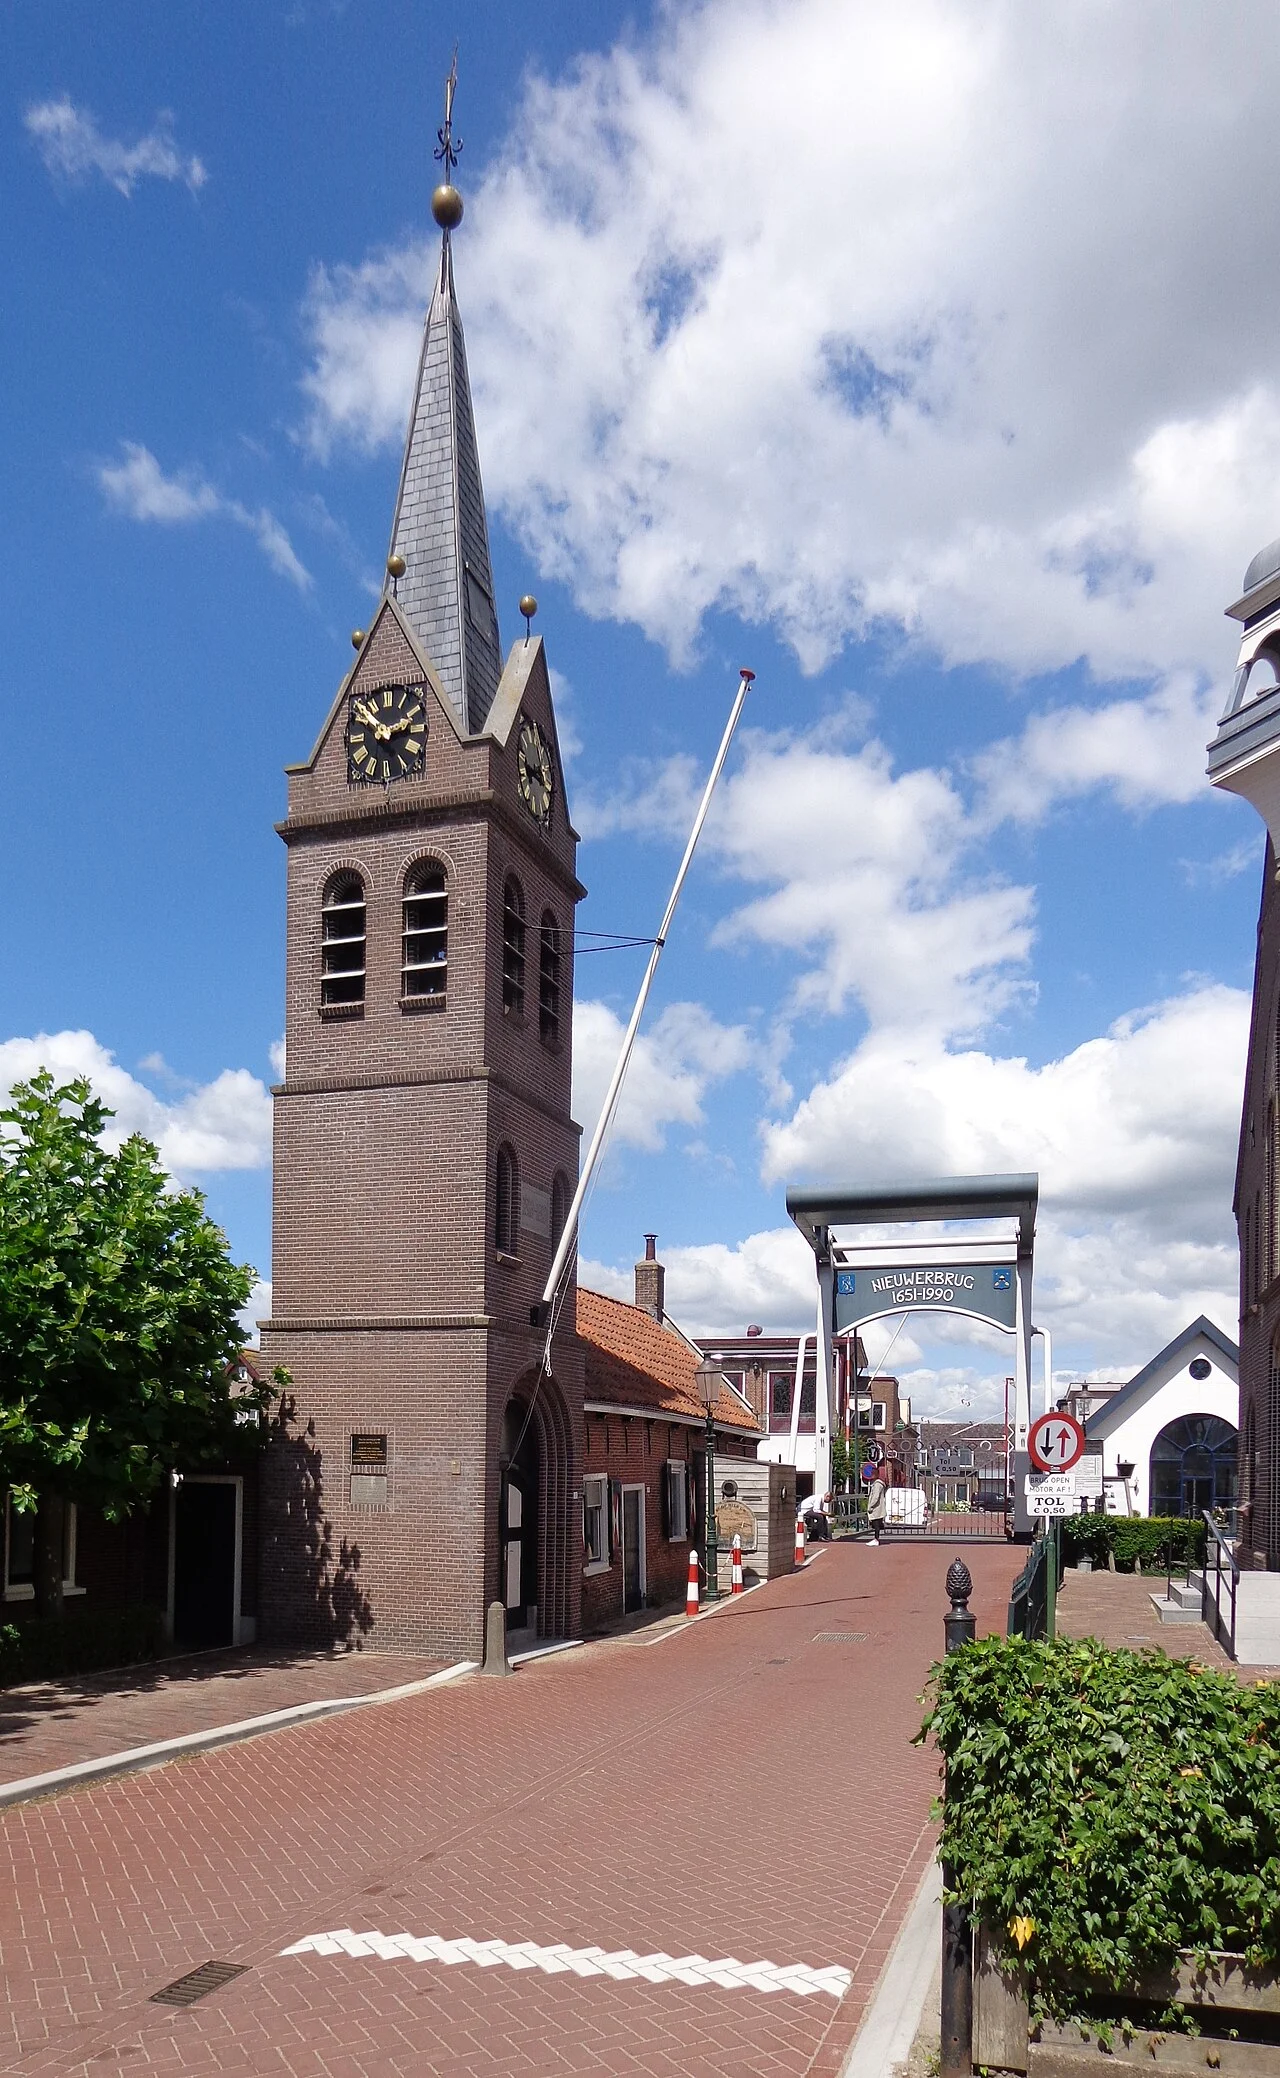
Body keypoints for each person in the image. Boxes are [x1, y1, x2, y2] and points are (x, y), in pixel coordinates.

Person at [865, 1470, 887, 1545]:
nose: (871, 1475)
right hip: (878, 1507)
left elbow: (875, 1496)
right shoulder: (877, 1484)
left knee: (876, 1523)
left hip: (876, 1508)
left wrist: (871, 1506)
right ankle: (876, 1539)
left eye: (873, 1474)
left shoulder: (877, 1485)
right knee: (876, 1523)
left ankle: (876, 1539)